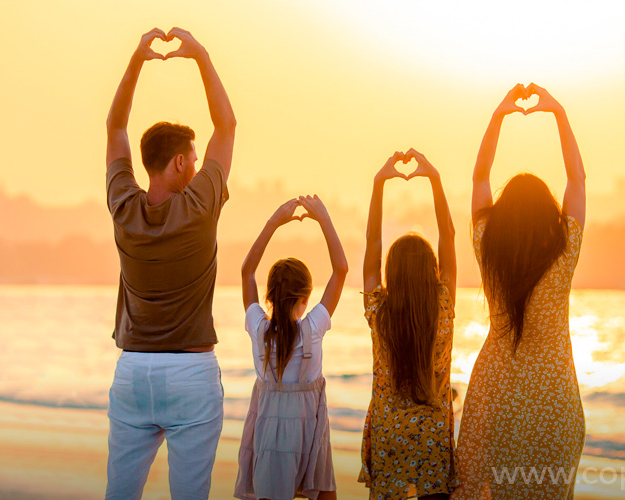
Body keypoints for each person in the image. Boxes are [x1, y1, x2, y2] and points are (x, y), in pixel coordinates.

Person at [104, 27, 236, 500]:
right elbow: (227, 126)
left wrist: (137, 60)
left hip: (134, 371)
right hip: (190, 374)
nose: (200, 167)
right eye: (194, 160)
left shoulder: (123, 205)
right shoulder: (199, 208)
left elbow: (115, 129)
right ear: (180, 163)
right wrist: (200, 54)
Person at [451, 83, 587, 500]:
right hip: (554, 399)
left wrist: (499, 116)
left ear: (502, 219)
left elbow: (479, 176)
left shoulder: (487, 249)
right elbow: (577, 178)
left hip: (497, 390)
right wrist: (558, 113)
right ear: (549, 215)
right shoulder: (565, 254)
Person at [359, 149, 458, 499]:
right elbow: (449, 235)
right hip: (433, 437)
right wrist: (435, 178)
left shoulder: (379, 312)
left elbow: (372, 242)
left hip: (389, 440)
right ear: (433, 272)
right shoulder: (444, 304)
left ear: (392, 273)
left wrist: (378, 183)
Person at [235, 195, 347, 500]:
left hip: (270, 435)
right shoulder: (312, 329)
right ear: (306, 297)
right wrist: (323, 217)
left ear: (268, 296)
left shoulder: (259, 329)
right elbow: (341, 270)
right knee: (324, 494)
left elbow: (246, 272)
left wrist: (273, 223)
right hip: (309, 435)